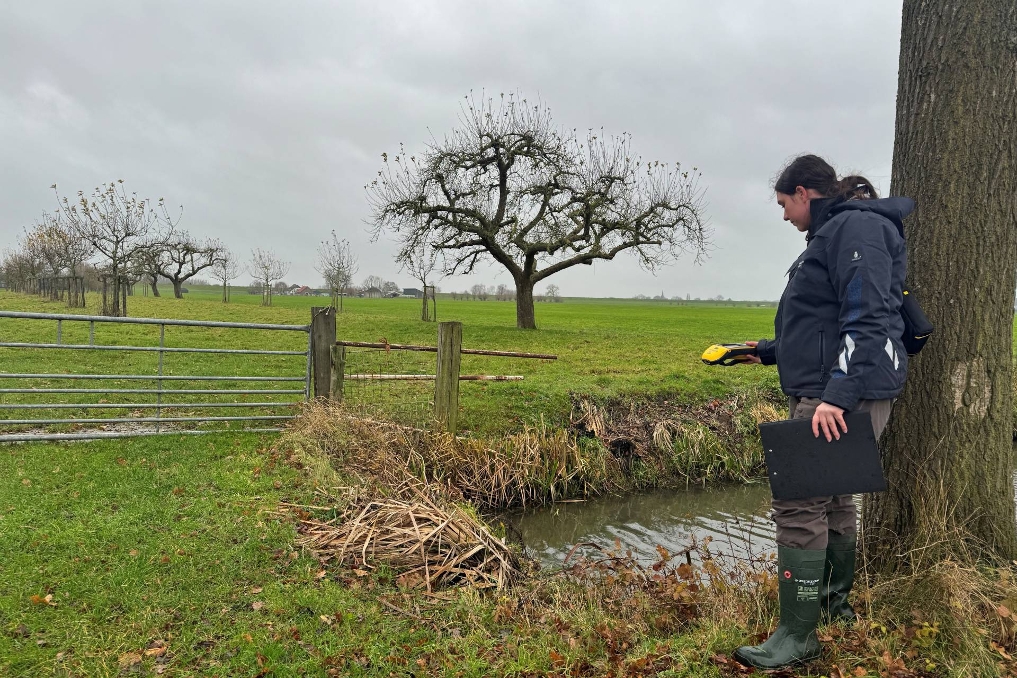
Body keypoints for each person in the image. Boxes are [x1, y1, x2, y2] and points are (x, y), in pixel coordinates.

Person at [732, 154, 913, 669]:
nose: (785, 215)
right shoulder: (836, 232)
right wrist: (766, 350)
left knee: (799, 501)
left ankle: (798, 634)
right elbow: (825, 319)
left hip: (840, 391)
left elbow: (869, 315)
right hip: (835, 384)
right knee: (832, 501)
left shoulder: (854, 228)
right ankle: (833, 607)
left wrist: (837, 395)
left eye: (785, 203)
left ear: (805, 193)